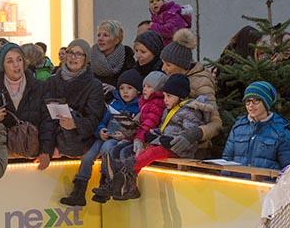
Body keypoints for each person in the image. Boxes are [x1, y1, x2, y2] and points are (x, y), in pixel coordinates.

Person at [103, 74, 214, 201]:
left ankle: (124, 169)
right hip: (165, 143)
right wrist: (153, 133)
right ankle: (128, 183)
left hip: (179, 148)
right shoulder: (170, 109)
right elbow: (164, 128)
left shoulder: (189, 111)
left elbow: (190, 133)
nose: (165, 99)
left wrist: (172, 140)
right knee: (145, 151)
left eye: (169, 96)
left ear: (180, 96)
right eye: (165, 95)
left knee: (151, 153)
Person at [60, 69, 141, 207]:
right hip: (105, 136)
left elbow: (138, 128)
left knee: (106, 150)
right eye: (122, 88)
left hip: (120, 140)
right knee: (87, 157)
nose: (125, 92)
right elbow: (102, 121)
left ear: (138, 91)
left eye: (129, 88)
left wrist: (127, 135)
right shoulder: (114, 104)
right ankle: (79, 191)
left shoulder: (139, 107)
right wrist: (100, 131)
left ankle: (105, 184)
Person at [91, 71, 168, 203]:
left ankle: (127, 186)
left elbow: (147, 124)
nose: (145, 89)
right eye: (144, 86)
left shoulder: (153, 104)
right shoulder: (144, 103)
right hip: (131, 137)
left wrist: (135, 136)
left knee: (123, 152)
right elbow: (137, 122)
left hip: (141, 139)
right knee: (113, 150)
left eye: (149, 87)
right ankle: (111, 183)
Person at [160, 28, 222, 158]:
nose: (163, 68)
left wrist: (193, 134)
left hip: (194, 149)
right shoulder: (173, 77)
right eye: (163, 64)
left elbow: (216, 124)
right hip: (169, 141)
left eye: (168, 65)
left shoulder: (202, 82)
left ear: (181, 65)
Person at [0, 42, 53, 170]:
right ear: (2, 66)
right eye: (10, 61)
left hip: (32, 153)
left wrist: (46, 150)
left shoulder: (39, 87)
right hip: (4, 157)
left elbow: (47, 121)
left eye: (19, 59)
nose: (16, 65)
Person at [45, 39, 104, 160]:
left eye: (79, 54)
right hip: (53, 136)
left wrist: (75, 124)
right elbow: (44, 114)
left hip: (79, 139)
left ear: (86, 59)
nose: (73, 57)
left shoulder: (94, 85)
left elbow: (94, 119)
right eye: (70, 52)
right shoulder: (51, 81)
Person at [223, 81, 290, 170]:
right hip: (238, 182)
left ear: (266, 103)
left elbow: (289, 169)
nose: (251, 105)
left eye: (256, 101)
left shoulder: (281, 131)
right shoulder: (238, 127)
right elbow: (227, 161)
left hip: (265, 183)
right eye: (248, 101)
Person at [90, 20, 135, 100]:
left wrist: (115, 89)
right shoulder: (91, 55)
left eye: (105, 35)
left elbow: (132, 86)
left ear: (116, 40)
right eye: (99, 35)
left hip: (119, 103)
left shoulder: (127, 57)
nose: (100, 39)